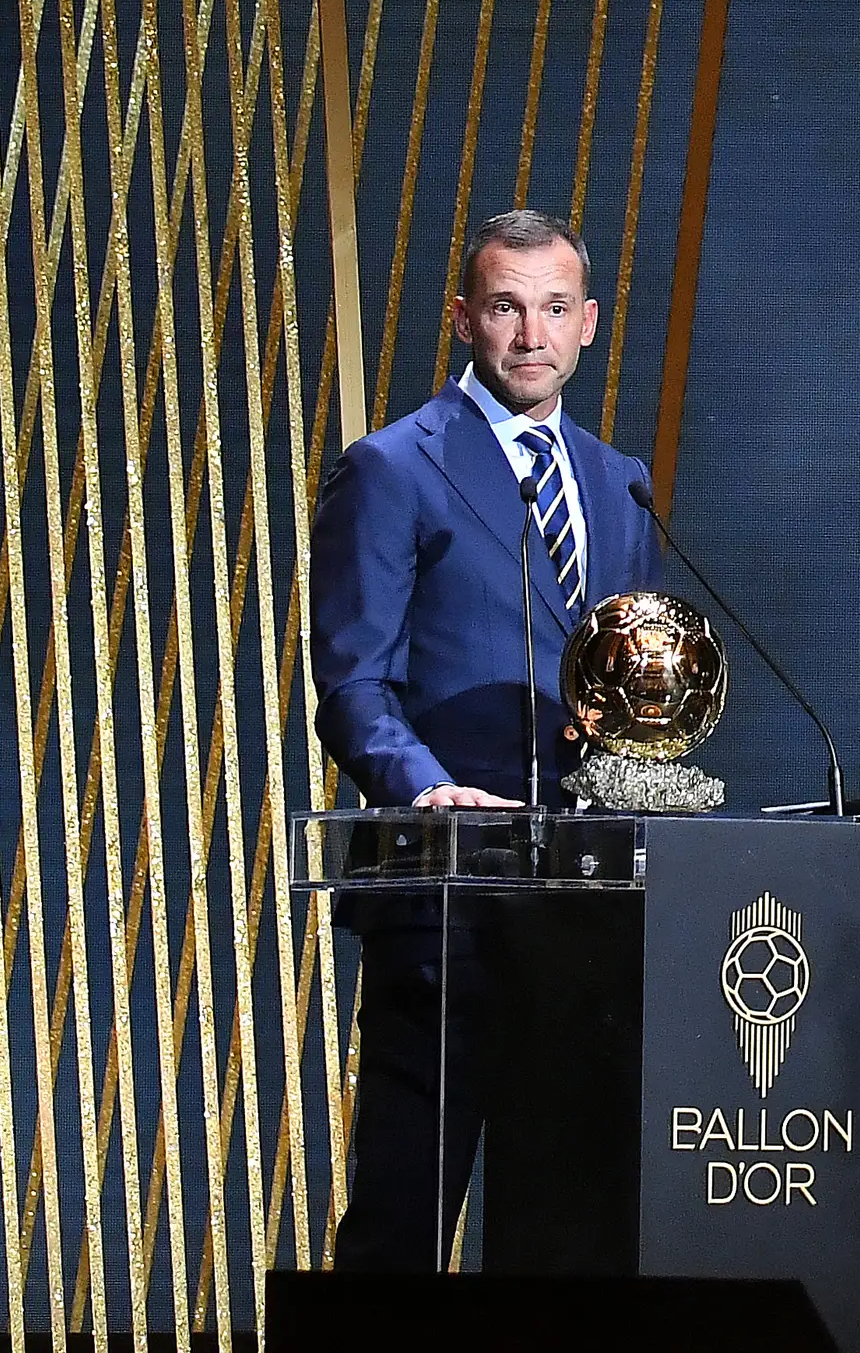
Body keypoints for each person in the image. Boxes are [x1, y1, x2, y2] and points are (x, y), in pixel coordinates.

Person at [311, 208, 662, 1268]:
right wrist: (428, 791)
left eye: (554, 308)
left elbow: (625, 672)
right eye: (506, 306)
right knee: (404, 1223)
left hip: (584, 912)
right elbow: (351, 682)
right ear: (465, 316)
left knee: (565, 1236)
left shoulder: (619, 480)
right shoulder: (392, 468)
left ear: (589, 322)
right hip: (446, 901)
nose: (530, 333)